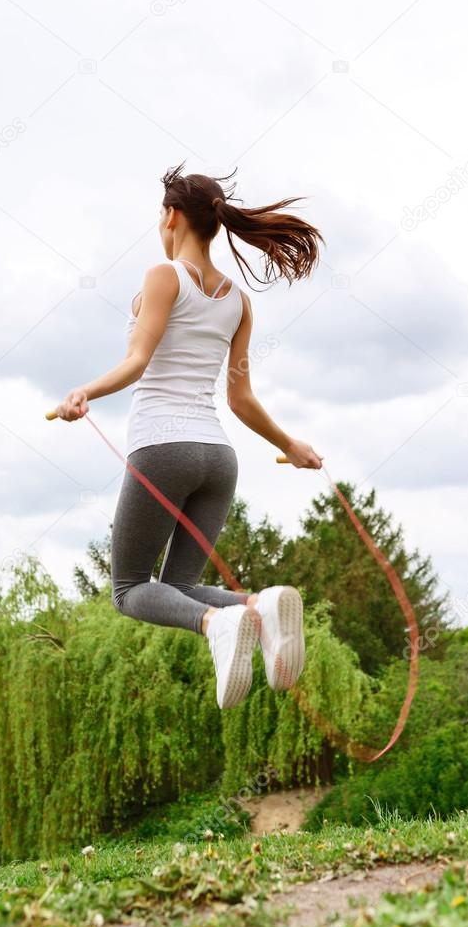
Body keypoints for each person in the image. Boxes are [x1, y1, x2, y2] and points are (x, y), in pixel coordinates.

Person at [55, 163, 325, 709]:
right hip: (218, 459)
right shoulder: (238, 301)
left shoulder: (163, 276)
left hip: (162, 448)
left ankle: (216, 624)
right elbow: (241, 399)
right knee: (175, 587)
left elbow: (137, 361)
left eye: (161, 214)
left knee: (130, 589)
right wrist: (288, 445)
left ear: (172, 216)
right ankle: (258, 607)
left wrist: (83, 391)